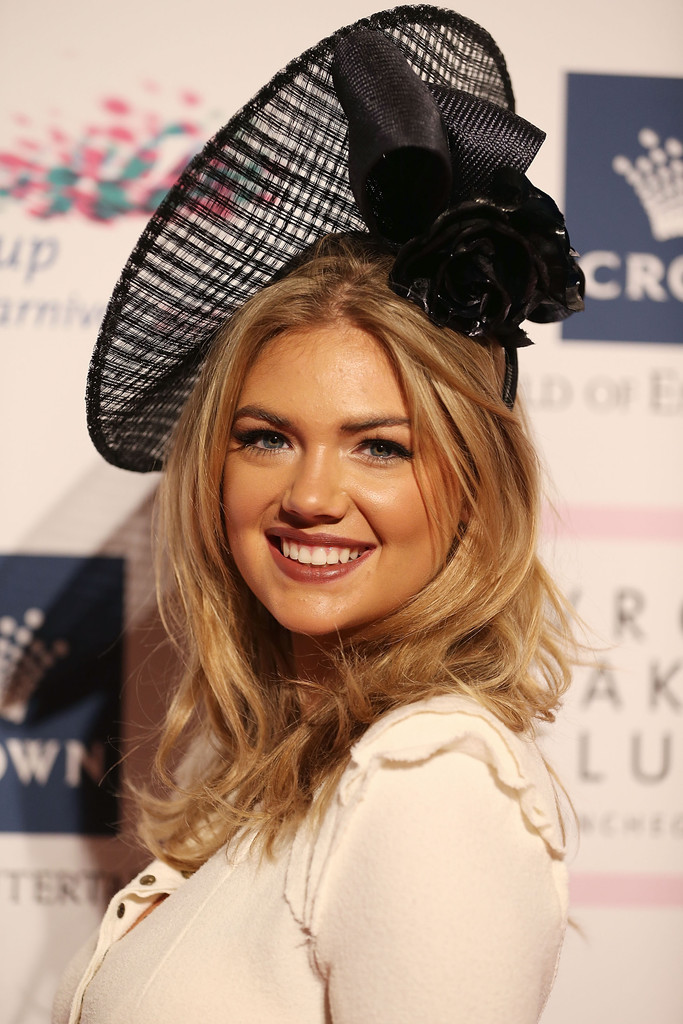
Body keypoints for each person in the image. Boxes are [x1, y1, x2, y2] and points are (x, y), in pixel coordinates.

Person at [54, 7, 585, 1023]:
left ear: (474, 487)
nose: (307, 495)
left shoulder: (429, 781)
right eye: (265, 437)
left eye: (379, 446)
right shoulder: (288, 768)